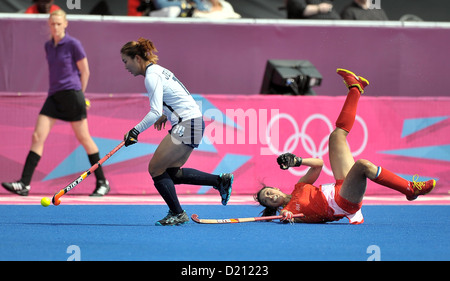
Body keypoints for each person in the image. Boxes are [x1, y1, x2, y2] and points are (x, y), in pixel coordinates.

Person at [254, 68, 436, 224]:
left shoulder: (299, 187)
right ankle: (409, 188)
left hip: (340, 186)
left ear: (276, 188)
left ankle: (356, 88)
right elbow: (297, 217)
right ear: (272, 207)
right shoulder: (290, 211)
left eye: (269, 192)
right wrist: (288, 216)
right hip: (342, 202)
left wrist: (297, 160)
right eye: (267, 200)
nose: (270, 196)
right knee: (363, 165)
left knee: (336, 136)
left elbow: (318, 164)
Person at [120, 37, 233, 226]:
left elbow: (154, 111)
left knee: (155, 168)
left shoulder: (151, 76)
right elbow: (179, 95)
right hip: (194, 122)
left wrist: (134, 131)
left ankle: (177, 213)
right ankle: (220, 181)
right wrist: (168, 113)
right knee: (170, 173)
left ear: (137, 58)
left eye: (126, 61)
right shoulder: (159, 70)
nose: (125, 67)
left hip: (187, 124)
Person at [2, 10, 110, 197]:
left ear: (66, 24)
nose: (56, 27)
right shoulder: (48, 46)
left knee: (84, 139)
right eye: (53, 24)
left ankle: (102, 182)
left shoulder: (74, 44)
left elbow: (85, 72)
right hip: (53, 96)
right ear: (49, 25)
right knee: (37, 137)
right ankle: (24, 184)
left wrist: (80, 95)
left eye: (59, 24)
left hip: (72, 95)